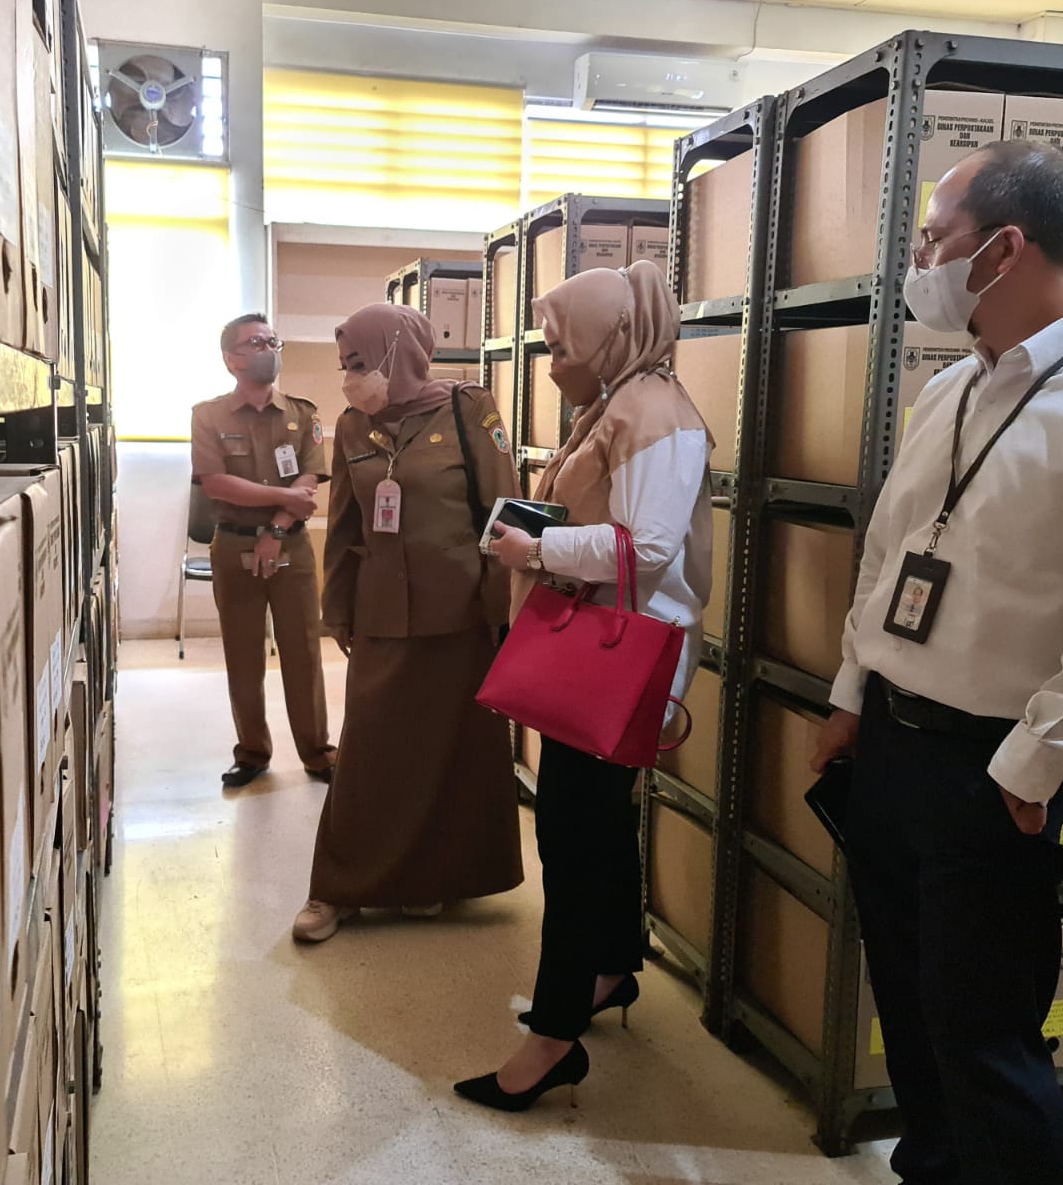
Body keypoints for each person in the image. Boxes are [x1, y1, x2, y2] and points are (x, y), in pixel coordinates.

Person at [809, 141, 1063, 1185]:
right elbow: (891, 556)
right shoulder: (954, 388)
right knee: (911, 1011)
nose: (919, 263)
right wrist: (853, 694)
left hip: (995, 769)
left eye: (931, 241)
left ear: (1003, 248)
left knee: (985, 1040)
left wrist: (1031, 771)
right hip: (892, 745)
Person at [458, 261, 713, 1110]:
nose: (553, 362)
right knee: (598, 826)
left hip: (622, 661)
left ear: (612, 337)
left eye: (563, 346)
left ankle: (554, 1037)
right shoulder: (617, 403)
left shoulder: (654, 414)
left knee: (570, 837)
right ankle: (610, 969)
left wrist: (537, 550)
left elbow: (648, 548)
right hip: (602, 652)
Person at [293, 304, 524, 943]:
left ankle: (430, 882)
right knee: (369, 751)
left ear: (398, 354)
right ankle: (337, 887)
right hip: (382, 612)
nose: (350, 377)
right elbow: (344, 524)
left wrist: (502, 616)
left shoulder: (470, 410)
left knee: (450, 754)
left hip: (461, 614)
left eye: (360, 363)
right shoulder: (351, 426)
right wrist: (338, 608)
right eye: (345, 365)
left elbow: (503, 513)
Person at [190, 313, 337, 789]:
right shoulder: (208, 415)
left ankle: (317, 752)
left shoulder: (303, 413)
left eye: (273, 341)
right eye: (255, 343)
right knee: (243, 656)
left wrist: (276, 527)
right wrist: (281, 497)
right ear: (231, 359)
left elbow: (308, 481)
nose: (269, 349)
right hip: (234, 546)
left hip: (291, 545)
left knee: (304, 653)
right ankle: (252, 752)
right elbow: (216, 484)